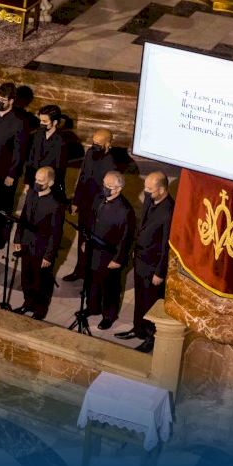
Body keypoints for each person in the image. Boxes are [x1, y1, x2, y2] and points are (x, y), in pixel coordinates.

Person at [120, 171, 174, 352]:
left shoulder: (169, 211)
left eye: (150, 189)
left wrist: (160, 272)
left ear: (162, 190)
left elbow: (167, 245)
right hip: (141, 261)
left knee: (151, 302)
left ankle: (151, 337)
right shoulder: (150, 200)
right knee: (140, 299)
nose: (146, 192)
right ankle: (138, 329)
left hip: (153, 268)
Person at [65, 129, 124, 283]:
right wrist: (76, 201)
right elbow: (83, 177)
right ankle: (80, 270)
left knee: (94, 242)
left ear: (108, 144)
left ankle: (91, 274)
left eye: (98, 144)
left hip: (99, 209)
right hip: (85, 205)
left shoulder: (112, 164)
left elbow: (109, 192)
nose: (94, 146)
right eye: (93, 142)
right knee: (82, 238)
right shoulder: (90, 153)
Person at [84, 171, 136, 330]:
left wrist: (118, 259)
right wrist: (86, 241)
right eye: (104, 184)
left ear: (119, 189)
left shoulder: (125, 210)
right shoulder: (99, 198)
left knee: (110, 288)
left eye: (109, 186)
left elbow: (126, 238)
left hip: (110, 257)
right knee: (92, 282)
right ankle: (92, 307)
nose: (105, 188)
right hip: (94, 250)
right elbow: (91, 221)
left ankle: (108, 316)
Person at [13, 167, 66, 320]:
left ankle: (40, 310)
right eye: (36, 179)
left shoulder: (56, 205)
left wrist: (49, 256)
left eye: (41, 181)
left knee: (41, 282)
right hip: (26, 245)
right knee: (26, 278)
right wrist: (18, 239)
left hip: (42, 249)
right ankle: (28, 303)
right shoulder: (31, 193)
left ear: (50, 183)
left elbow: (56, 234)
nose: (36, 183)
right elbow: (23, 218)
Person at [0, 83, 29, 211]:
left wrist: (12, 174)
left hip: (3, 171)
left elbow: (19, 151)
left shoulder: (19, 122)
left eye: (2, 100)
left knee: (0, 205)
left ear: (11, 101)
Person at [27, 105, 68, 195]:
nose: (41, 123)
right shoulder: (37, 134)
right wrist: (27, 181)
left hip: (49, 185)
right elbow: (31, 158)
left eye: (45, 121)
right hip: (34, 180)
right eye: (40, 120)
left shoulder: (62, 141)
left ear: (55, 122)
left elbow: (60, 167)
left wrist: (53, 186)